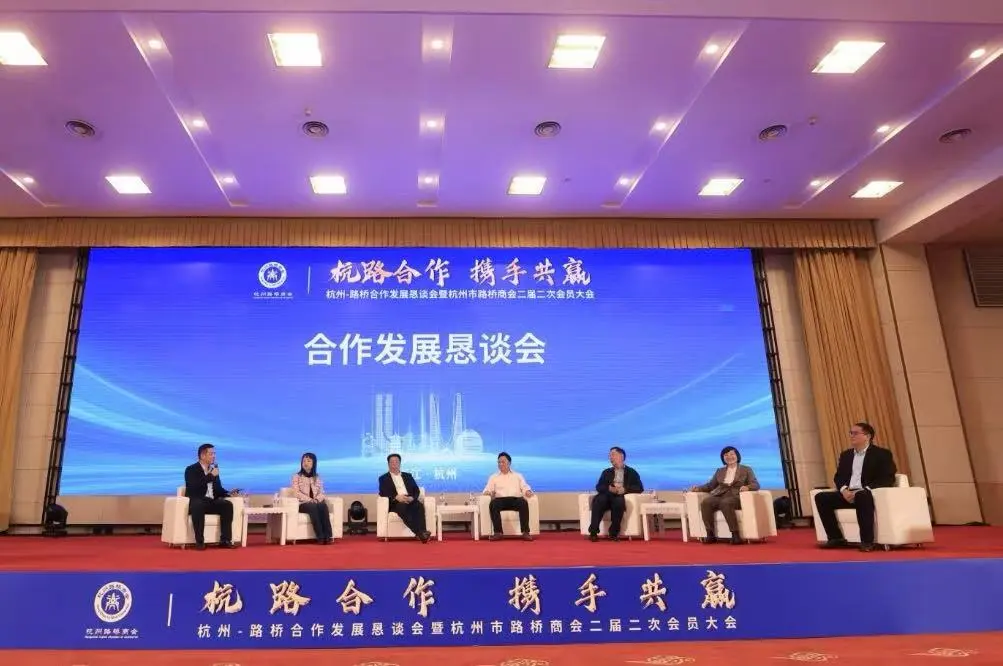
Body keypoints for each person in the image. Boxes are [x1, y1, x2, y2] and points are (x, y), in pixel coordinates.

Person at [813, 422, 897, 552]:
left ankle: (867, 542)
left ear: (867, 436)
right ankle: (836, 538)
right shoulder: (846, 455)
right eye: (851, 433)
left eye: (855, 433)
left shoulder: (882, 454)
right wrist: (844, 490)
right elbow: (839, 477)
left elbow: (887, 478)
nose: (851, 436)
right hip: (848, 493)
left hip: (868, 493)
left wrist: (864, 489)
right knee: (821, 497)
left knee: (862, 496)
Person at [689, 445, 760, 545]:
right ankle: (710, 534)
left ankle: (735, 535)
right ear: (723, 458)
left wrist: (747, 487)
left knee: (726, 503)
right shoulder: (720, 471)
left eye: (732, 454)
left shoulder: (746, 469)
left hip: (736, 497)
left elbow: (755, 484)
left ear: (737, 455)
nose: (729, 457)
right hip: (721, 495)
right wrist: (698, 489)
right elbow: (710, 485)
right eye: (726, 455)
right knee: (706, 502)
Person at [183, 443, 241, 550]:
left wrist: (228, 493)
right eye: (211, 454)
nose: (214, 456)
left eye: (214, 454)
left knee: (227, 505)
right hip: (197, 501)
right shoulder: (191, 469)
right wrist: (210, 476)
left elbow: (218, 489)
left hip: (210, 502)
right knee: (198, 504)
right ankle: (199, 542)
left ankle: (225, 540)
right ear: (202, 455)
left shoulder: (213, 470)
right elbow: (194, 487)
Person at [588, 446, 644, 541]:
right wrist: (608, 488)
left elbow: (639, 488)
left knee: (619, 502)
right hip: (606, 495)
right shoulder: (606, 472)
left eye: (613, 455)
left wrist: (625, 490)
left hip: (620, 496)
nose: (610, 458)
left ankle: (613, 533)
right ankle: (593, 532)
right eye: (609, 456)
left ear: (621, 456)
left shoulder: (631, 472)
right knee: (599, 500)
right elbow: (599, 487)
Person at [378, 453, 431, 543]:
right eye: (392, 462)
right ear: (388, 464)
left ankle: (422, 533)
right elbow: (382, 492)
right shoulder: (383, 478)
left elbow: (416, 490)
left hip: (409, 499)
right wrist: (396, 497)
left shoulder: (408, 476)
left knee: (419, 506)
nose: (394, 464)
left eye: (396, 461)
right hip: (396, 502)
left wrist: (412, 498)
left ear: (400, 463)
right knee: (402, 508)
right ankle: (421, 533)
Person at [482, 452, 534, 541]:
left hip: (515, 500)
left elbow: (524, 486)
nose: (500, 464)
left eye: (503, 462)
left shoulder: (518, 476)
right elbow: (487, 489)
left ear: (509, 463)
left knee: (523, 503)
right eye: (499, 462)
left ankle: (525, 532)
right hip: (500, 501)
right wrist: (488, 493)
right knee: (493, 504)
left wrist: (527, 491)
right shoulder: (493, 477)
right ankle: (498, 532)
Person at [292, 452, 334, 544]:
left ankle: (328, 536)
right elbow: (296, 493)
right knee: (313, 507)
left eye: (308, 461)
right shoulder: (296, 476)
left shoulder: (317, 477)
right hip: (303, 504)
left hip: (315, 502)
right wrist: (310, 500)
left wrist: (317, 499)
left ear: (313, 463)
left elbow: (322, 492)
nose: (305, 463)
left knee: (323, 506)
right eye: (304, 461)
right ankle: (320, 536)